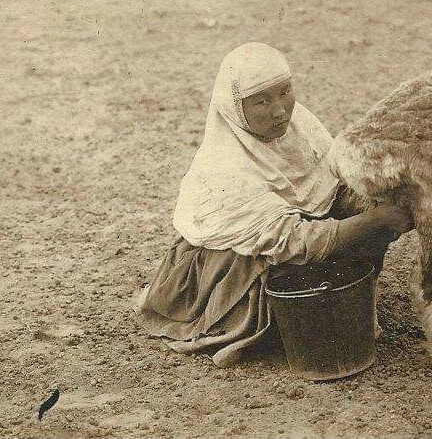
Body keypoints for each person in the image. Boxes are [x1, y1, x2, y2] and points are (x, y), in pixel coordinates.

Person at [135, 42, 412, 366]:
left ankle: (353, 299)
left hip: (297, 230)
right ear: (236, 109)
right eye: (261, 101)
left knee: (368, 203)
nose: (280, 110)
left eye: (284, 92)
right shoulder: (226, 165)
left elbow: (336, 181)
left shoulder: (296, 124)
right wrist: (378, 220)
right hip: (238, 260)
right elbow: (292, 241)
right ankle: (263, 326)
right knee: (275, 282)